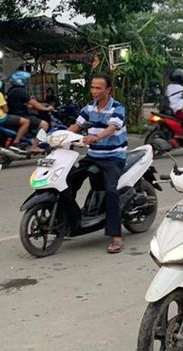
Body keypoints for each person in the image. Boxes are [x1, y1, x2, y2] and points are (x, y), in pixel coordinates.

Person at [68, 73, 128, 253]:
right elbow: (76, 126)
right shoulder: (89, 107)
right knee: (70, 180)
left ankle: (116, 235)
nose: (94, 91)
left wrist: (96, 137)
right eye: (92, 87)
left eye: (98, 88)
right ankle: (69, 220)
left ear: (108, 90)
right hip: (93, 155)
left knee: (111, 191)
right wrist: (59, 136)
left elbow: (112, 128)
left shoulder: (117, 108)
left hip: (113, 157)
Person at [0, 71, 34, 153]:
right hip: (0, 117)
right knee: (26, 122)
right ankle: (16, 142)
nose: (1, 83)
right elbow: (6, 109)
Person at [6, 70, 51, 152]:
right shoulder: (20, 91)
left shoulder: (12, 90)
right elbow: (33, 103)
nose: (26, 82)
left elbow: (27, 104)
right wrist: (46, 108)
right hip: (21, 115)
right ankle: (34, 146)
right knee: (44, 125)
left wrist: (39, 105)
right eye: (25, 80)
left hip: (15, 114)